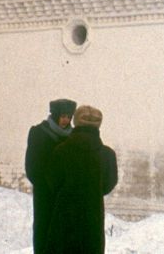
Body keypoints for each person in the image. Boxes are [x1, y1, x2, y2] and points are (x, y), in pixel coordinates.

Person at [43, 104, 118, 254]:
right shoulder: (107, 155)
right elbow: (109, 184)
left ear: (76, 122)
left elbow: (51, 181)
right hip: (92, 218)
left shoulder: (61, 151)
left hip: (63, 217)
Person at [25, 98, 77, 254]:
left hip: (65, 194)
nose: (65, 121)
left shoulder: (73, 136)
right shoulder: (38, 132)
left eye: (69, 117)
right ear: (54, 115)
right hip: (45, 194)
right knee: (44, 231)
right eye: (62, 116)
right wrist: (46, 184)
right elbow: (31, 166)